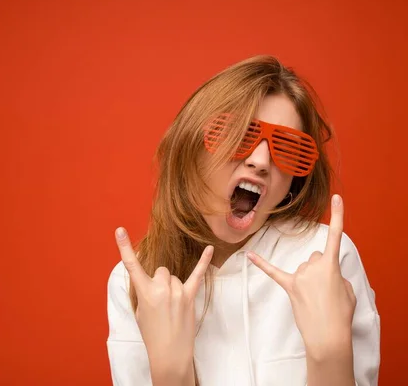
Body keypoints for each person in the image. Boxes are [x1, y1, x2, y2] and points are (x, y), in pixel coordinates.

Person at [107, 55, 381, 386]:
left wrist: (330, 353)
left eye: (289, 148)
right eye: (238, 135)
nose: (262, 161)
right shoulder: (136, 282)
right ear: (191, 146)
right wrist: (171, 373)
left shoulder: (325, 259)